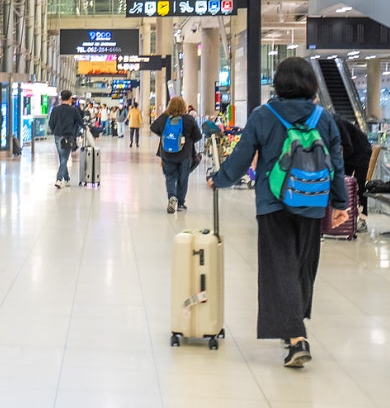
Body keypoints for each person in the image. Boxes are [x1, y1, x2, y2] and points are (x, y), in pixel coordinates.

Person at [207, 57, 349, 369]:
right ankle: (292, 328)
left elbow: (242, 156)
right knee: (302, 267)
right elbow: (336, 162)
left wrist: (219, 180)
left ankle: (296, 336)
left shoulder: (264, 115)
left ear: (279, 83)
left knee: (280, 267)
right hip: (313, 202)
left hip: (273, 203)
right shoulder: (323, 118)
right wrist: (341, 204)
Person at [150, 96, 202, 213]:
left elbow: (153, 127)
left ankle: (172, 197)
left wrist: (164, 136)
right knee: (183, 178)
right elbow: (198, 136)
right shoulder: (188, 119)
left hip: (167, 152)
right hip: (185, 154)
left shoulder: (164, 117)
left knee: (170, 176)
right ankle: (181, 203)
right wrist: (188, 139)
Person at [334, 113, 373, 231]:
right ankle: (346, 218)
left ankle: (362, 218)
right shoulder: (329, 123)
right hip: (349, 154)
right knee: (343, 184)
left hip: (362, 151)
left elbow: (348, 147)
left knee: (359, 186)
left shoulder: (337, 123)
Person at [48, 89, 84, 189]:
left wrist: (54, 130)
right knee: (64, 158)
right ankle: (59, 179)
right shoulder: (73, 110)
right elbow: (80, 122)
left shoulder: (55, 109)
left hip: (57, 135)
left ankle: (67, 178)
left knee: (62, 157)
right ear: (70, 98)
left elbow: (51, 123)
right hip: (68, 136)